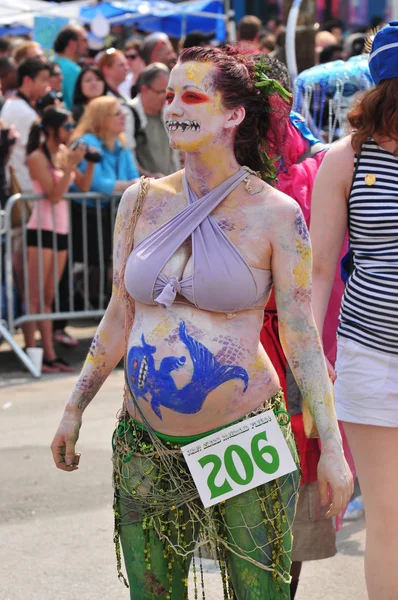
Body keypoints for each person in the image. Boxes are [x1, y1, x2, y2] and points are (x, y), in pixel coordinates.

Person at [51, 46, 352, 600]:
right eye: (168, 96)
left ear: (234, 114)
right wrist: (74, 409)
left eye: (191, 95)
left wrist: (330, 446)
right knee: (153, 591)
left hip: (244, 436)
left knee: (257, 590)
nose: (174, 108)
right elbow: (120, 313)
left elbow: (302, 336)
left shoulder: (277, 214)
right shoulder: (139, 202)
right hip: (145, 440)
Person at [310, 22, 398, 600]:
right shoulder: (344, 160)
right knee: (390, 522)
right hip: (371, 355)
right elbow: (318, 270)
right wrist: (310, 354)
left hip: (370, 355)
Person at [24, 108, 94, 372]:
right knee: (35, 296)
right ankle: (34, 356)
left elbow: (84, 187)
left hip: (60, 230)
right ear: (52, 129)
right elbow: (54, 195)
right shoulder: (36, 157)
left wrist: (89, 162)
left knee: (49, 295)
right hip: (41, 229)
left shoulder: (63, 154)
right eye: (67, 126)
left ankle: (49, 354)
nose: (70, 130)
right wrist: (71, 167)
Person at [68, 96, 139, 295]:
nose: (123, 116)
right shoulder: (85, 142)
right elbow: (97, 184)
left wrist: (133, 184)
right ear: (101, 118)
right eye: (117, 113)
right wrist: (131, 185)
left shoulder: (120, 142)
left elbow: (132, 176)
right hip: (89, 215)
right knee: (99, 263)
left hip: (115, 213)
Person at [1, 58, 50, 192]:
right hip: (24, 185)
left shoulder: (14, 104)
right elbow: (37, 149)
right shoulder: (23, 111)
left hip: (20, 183)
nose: (47, 85)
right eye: (43, 79)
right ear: (28, 80)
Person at [131, 63, 179, 177]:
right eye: (160, 92)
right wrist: (149, 178)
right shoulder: (128, 113)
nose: (165, 97)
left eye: (168, 92)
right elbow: (127, 158)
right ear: (144, 89)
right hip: (142, 190)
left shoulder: (170, 113)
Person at [97, 49, 136, 155]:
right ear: (106, 69)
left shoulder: (122, 96)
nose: (127, 68)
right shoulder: (102, 100)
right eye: (121, 65)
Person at [54, 25, 89, 110]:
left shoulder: (51, 63)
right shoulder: (74, 70)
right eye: (84, 40)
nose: (87, 44)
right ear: (72, 44)